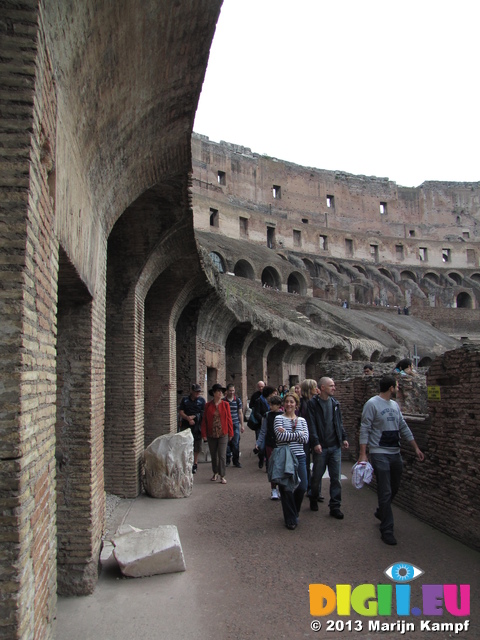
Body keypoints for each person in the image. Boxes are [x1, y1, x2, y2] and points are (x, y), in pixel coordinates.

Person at [358, 375, 424, 545]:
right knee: (385, 490)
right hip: (379, 452)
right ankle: (387, 529)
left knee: (394, 486)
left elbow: (403, 426)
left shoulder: (394, 405)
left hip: (395, 452)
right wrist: (363, 454)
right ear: (391, 388)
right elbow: (364, 428)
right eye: (397, 386)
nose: (398, 388)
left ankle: (382, 510)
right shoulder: (372, 404)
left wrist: (415, 447)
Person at [307, 377, 349, 519]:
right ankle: (313, 497)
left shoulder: (335, 403)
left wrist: (343, 437)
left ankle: (335, 506)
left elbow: (339, 422)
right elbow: (311, 424)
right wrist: (315, 442)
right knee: (317, 476)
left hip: (334, 446)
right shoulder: (313, 404)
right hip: (321, 447)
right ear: (323, 388)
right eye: (331, 385)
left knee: (336, 478)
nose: (334, 388)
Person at [273, 392, 309, 529]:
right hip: (285, 457)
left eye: (292, 402)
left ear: (296, 404)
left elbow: (305, 439)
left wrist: (288, 434)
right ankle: (290, 519)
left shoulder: (302, 421)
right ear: (284, 404)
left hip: (299, 455)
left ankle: (294, 511)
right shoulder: (279, 419)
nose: (289, 404)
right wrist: (298, 434)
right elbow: (279, 437)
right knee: (286, 488)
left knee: (302, 486)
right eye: (287, 401)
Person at [201, 383, 234, 484]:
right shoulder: (208, 405)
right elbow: (204, 420)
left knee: (222, 455)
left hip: (223, 433)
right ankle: (215, 472)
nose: (220, 393)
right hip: (211, 433)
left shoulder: (225, 405)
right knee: (214, 455)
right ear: (214, 393)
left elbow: (229, 419)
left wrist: (231, 432)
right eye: (218, 391)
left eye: (221, 392)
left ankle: (222, 475)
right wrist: (204, 434)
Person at [256, 395, 283, 499]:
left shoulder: (283, 415)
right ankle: (273, 489)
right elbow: (263, 431)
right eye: (270, 404)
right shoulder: (267, 415)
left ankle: (280, 487)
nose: (270, 406)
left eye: (272, 405)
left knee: (280, 466)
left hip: (280, 444)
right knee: (272, 466)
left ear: (278, 405)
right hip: (270, 443)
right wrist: (258, 443)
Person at [298, 379, 319, 500]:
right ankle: (307, 486)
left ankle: (314, 488)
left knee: (316, 462)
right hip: (305, 436)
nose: (317, 389)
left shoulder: (315, 401)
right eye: (315, 387)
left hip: (313, 434)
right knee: (305, 462)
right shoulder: (302, 403)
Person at [178, 383, 206, 474]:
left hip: (197, 425)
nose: (198, 393)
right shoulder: (185, 400)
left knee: (197, 445)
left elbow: (203, 412)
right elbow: (181, 411)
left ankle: (195, 463)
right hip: (186, 424)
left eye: (199, 391)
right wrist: (187, 418)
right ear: (192, 391)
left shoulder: (201, 401)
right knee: (185, 443)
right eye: (196, 391)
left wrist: (193, 417)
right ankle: (186, 462)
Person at [252, 385, 276, 469]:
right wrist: (263, 418)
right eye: (273, 393)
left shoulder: (273, 402)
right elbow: (256, 413)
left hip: (269, 426)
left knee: (268, 446)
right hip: (260, 425)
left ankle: (267, 465)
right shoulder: (259, 401)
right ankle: (261, 458)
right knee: (261, 447)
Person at [224, 383, 244, 468]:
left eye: (233, 390)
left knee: (235, 443)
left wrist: (242, 425)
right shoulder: (224, 401)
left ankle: (236, 461)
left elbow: (240, 413)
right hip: (226, 424)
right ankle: (227, 460)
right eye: (230, 391)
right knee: (227, 443)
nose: (232, 392)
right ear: (227, 391)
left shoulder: (237, 400)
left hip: (235, 424)